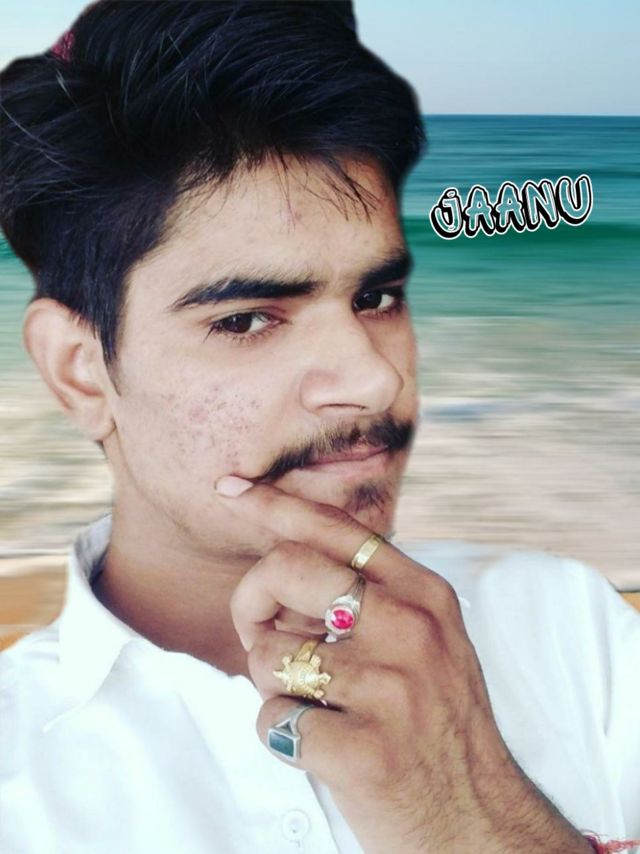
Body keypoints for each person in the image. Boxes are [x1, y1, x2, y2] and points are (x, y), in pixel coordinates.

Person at [0, 2, 638, 852]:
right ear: (80, 370)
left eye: (377, 297)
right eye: (247, 319)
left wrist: (474, 817)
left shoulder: (567, 625)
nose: (376, 380)